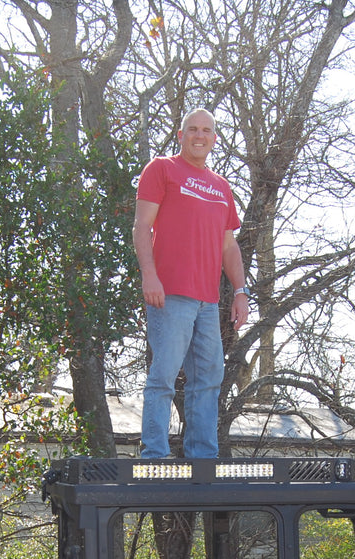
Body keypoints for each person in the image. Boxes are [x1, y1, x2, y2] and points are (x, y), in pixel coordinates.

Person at [133, 108, 249, 459]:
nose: (200, 136)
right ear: (181, 134)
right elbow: (141, 227)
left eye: (207, 130)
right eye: (193, 129)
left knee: (209, 379)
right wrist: (149, 275)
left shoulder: (221, 188)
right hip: (170, 295)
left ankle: (203, 456)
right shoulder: (162, 169)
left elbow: (229, 246)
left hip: (207, 301)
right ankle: (153, 453)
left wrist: (241, 292)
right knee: (164, 376)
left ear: (215, 139)